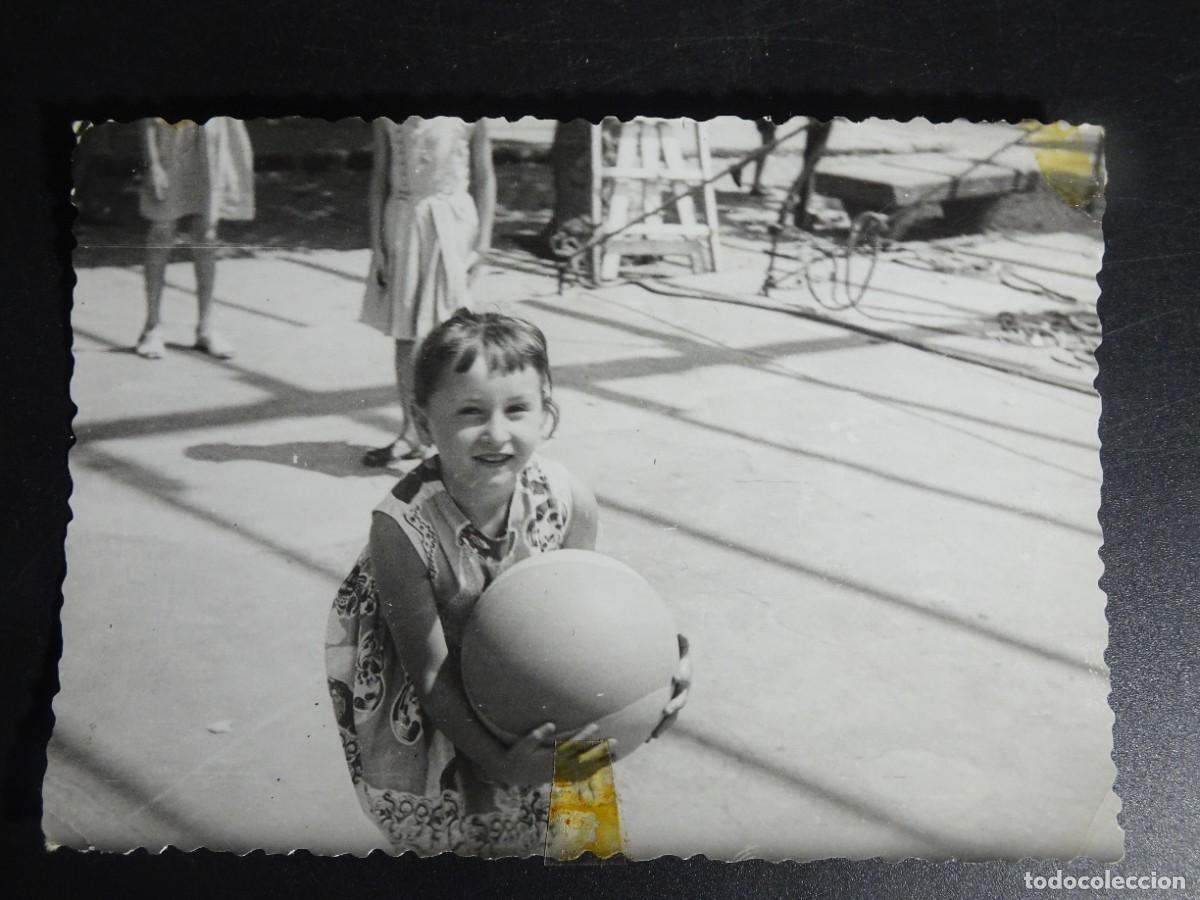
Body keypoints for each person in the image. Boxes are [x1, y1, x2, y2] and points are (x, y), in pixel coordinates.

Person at [325, 310, 692, 856]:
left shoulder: (568, 500)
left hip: (540, 694)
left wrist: (656, 675)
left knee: (579, 842)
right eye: (470, 412)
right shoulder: (401, 532)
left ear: (548, 414)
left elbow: (582, 631)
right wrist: (498, 761)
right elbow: (429, 674)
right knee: (471, 842)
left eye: (517, 409)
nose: (496, 433)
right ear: (423, 423)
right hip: (446, 702)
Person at [360, 117, 497, 467]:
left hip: (451, 225)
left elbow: (485, 177)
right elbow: (379, 180)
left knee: (452, 334)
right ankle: (411, 433)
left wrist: (481, 244)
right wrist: (378, 248)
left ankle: (458, 437)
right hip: (403, 224)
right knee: (405, 335)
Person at [134, 117, 255, 360]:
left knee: (206, 235)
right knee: (162, 230)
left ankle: (206, 328)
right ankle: (152, 327)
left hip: (212, 140)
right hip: (170, 139)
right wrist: (153, 163)